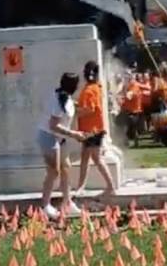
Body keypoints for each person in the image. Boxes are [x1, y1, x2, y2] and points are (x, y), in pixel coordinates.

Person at [38, 72, 87, 219]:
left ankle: (67, 202)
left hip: (60, 138)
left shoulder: (65, 97)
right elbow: (53, 125)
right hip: (49, 136)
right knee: (54, 171)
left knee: (66, 168)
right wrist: (74, 134)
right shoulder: (59, 101)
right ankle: (45, 205)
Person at [73, 61, 117, 197]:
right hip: (91, 129)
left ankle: (110, 186)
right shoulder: (96, 87)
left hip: (92, 129)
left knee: (97, 159)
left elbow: (89, 109)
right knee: (85, 158)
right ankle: (81, 186)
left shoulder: (89, 90)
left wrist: (75, 111)